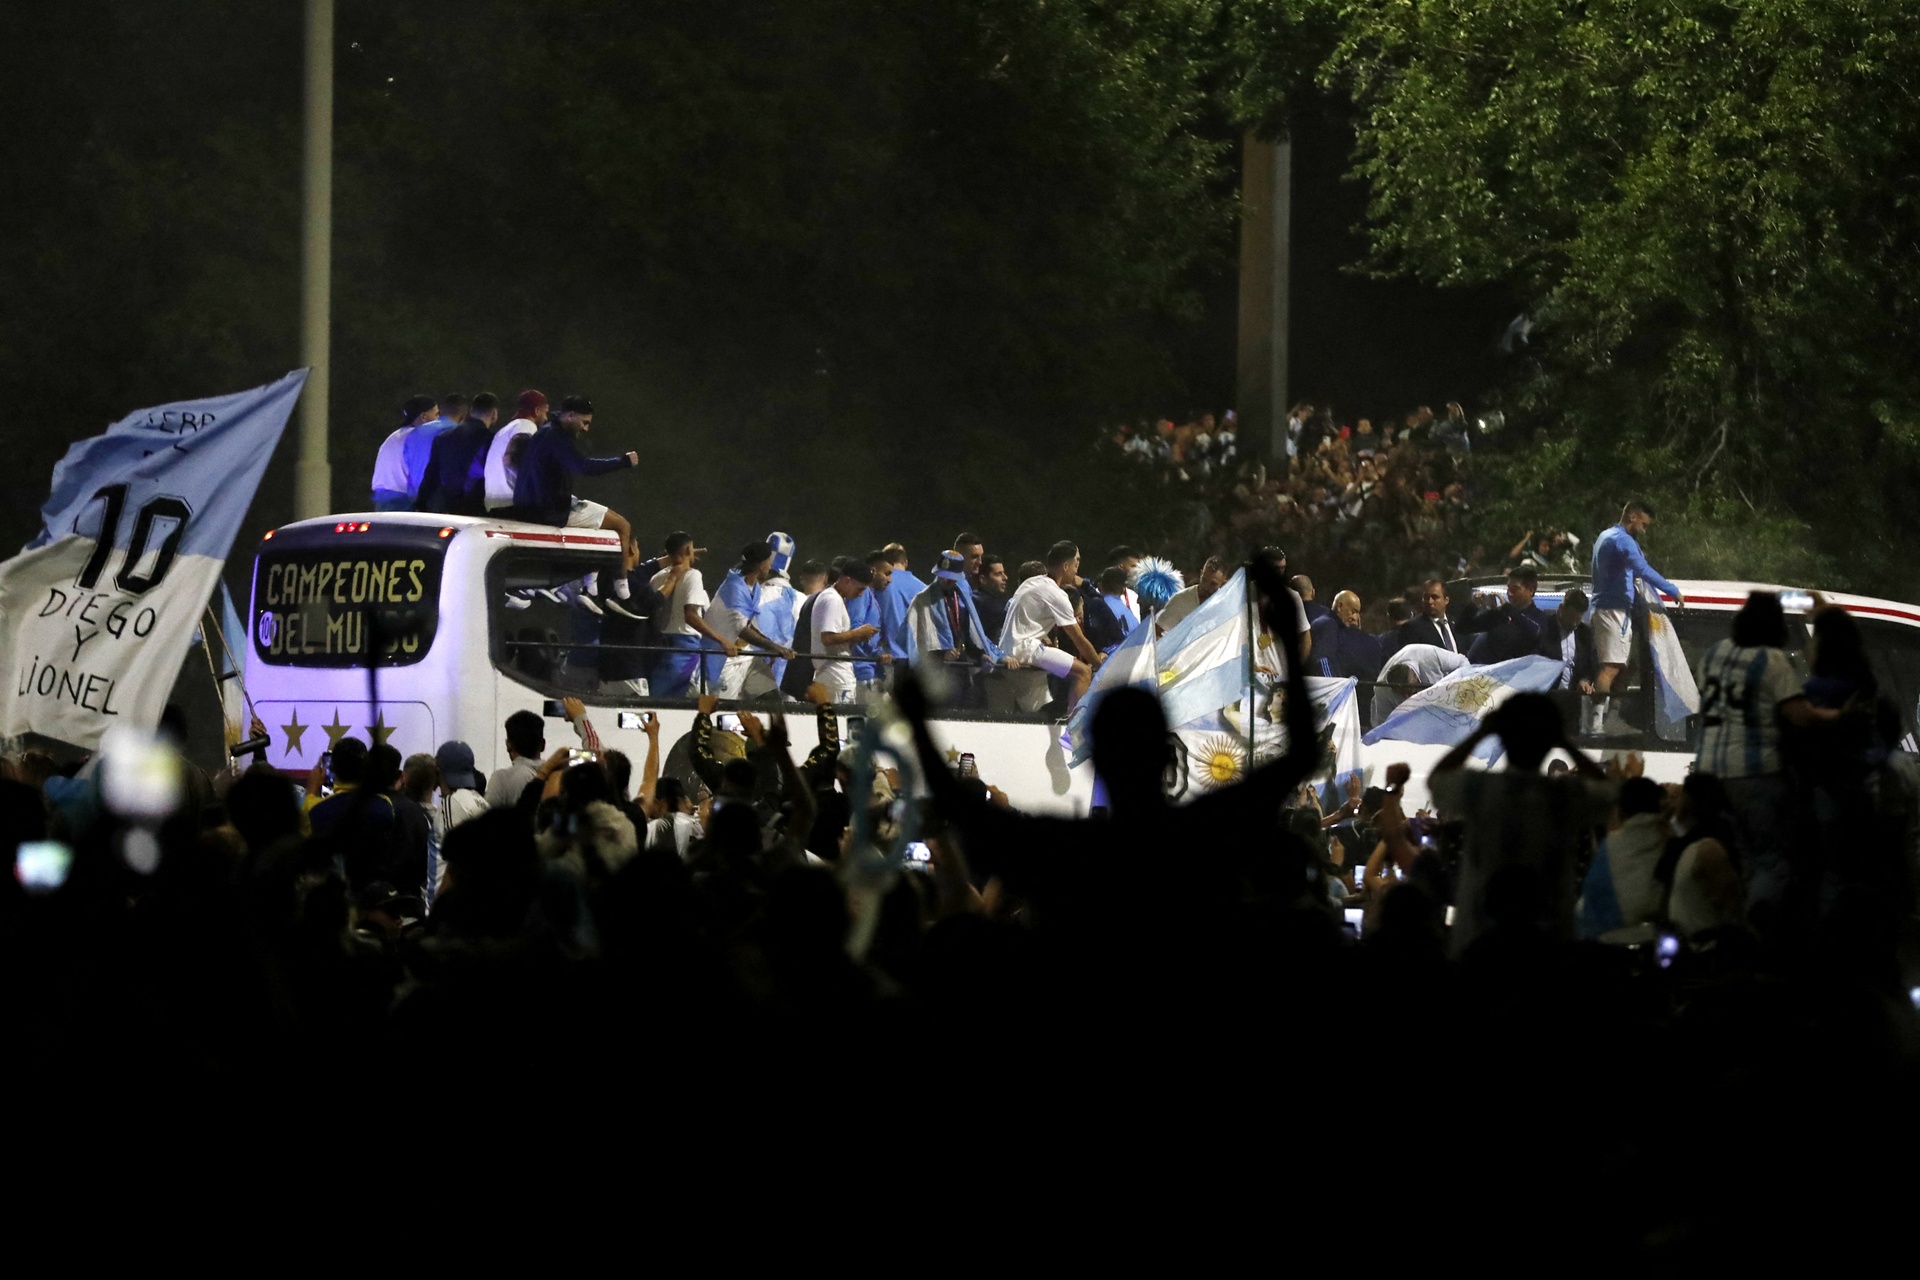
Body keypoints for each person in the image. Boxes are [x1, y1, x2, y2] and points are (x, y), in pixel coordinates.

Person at [1693, 591, 1839, 925]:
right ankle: (1757, 933)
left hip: (1707, 775)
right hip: (1755, 775)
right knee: (1772, 862)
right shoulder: (1772, 661)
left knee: (1733, 857)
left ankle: (1724, 933)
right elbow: (1800, 716)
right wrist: (1840, 716)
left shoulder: (1714, 653)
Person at [1431, 692, 1612, 954]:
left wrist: (1481, 733)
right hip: (1549, 949)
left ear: (1501, 735)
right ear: (1550, 740)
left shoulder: (1481, 790)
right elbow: (1608, 793)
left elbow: (1438, 778)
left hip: (1478, 946)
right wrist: (1565, 741)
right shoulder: (1563, 796)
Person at [505, 396, 640, 569]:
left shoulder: (544, 432)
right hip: (548, 512)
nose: (586, 429)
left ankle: (591, 583)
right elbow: (584, 467)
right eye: (584, 422)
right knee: (622, 526)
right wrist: (623, 461)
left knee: (598, 524)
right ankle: (622, 583)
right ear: (570, 416)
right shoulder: (557, 438)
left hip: (532, 506)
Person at [1591, 501, 1684, 734]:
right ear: (1632, 517)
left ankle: (1611, 717)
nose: (1644, 531)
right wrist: (1671, 589)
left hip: (1613, 610)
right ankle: (1596, 724)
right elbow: (1642, 569)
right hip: (1613, 610)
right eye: (1643, 525)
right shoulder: (1622, 540)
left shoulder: (1606, 535)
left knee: (1626, 667)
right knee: (1611, 668)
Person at [999, 540, 1103, 712]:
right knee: (1084, 672)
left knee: (1037, 712)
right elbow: (1079, 640)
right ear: (1065, 566)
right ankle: (1074, 728)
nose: (1078, 569)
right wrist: (1100, 666)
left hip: (1008, 649)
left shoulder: (1031, 582)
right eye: (1076, 562)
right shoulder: (1057, 595)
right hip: (1025, 649)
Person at [1577, 777, 1670, 939]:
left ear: (1620, 809)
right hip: (1655, 938)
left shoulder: (1610, 845)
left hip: (1603, 940)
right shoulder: (1670, 842)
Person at [702, 542, 795, 697]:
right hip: (725, 658)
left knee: (771, 698)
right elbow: (742, 629)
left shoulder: (755, 588)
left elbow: (747, 624)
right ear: (761, 565)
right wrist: (774, 647)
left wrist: (771, 646)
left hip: (746, 656)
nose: (770, 566)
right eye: (769, 562)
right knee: (724, 709)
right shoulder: (734, 588)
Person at [650, 533, 714, 697]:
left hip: (660, 646)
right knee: (696, 701)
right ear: (687, 549)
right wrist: (722, 640)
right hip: (685, 648)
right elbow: (691, 615)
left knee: (658, 700)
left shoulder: (657, 577)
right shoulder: (693, 575)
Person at [417, 391, 499, 516]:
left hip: (447, 505)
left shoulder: (443, 438)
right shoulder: (491, 440)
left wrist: (420, 505)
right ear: (494, 414)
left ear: (471, 411)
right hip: (476, 507)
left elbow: (431, 476)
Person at [809, 561, 881, 702]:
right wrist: (858, 633)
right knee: (844, 721)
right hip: (836, 673)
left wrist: (858, 637)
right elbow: (828, 638)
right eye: (860, 589)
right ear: (848, 581)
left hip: (829, 672)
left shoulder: (832, 597)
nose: (860, 595)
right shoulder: (832, 600)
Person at [1457, 565, 1550, 664]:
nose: (1509, 594)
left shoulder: (1540, 618)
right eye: (1508, 589)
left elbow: (1535, 633)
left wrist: (1508, 609)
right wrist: (1473, 606)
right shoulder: (1499, 616)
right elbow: (1462, 628)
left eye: (1515, 590)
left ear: (1530, 590)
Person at [1537, 587, 1599, 733]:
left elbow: (1590, 665)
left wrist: (1585, 680)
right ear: (1561, 609)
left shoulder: (1585, 634)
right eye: (1571, 618)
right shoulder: (1543, 628)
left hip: (1571, 703)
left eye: (1578, 619)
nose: (1574, 624)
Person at [484, 390, 548, 513]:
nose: (546, 418)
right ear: (537, 411)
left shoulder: (504, 429)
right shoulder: (526, 426)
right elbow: (512, 459)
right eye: (545, 412)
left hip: (493, 503)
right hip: (511, 504)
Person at [372, 395, 437, 510]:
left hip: (382, 501)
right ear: (424, 416)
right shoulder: (418, 438)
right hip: (403, 501)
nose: (439, 419)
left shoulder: (395, 436)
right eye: (436, 414)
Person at [403, 393, 469, 507]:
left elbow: (407, 462)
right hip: (437, 500)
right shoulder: (455, 433)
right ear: (463, 416)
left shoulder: (415, 432)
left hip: (412, 499)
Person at [1309, 590, 1383, 681]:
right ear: (1340, 607)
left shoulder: (1335, 625)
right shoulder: (1328, 624)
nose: (1355, 617)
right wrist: (1334, 687)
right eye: (1353, 611)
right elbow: (1322, 660)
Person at [878, 543, 927, 668]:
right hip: (918, 662)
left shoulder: (879, 585)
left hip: (887, 659)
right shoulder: (923, 588)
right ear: (905, 562)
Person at [485, 709, 545, 808]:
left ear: (508, 745)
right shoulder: (558, 778)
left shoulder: (501, 779)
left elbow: (487, 820)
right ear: (543, 745)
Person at [1156, 556, 1227, 636]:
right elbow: (1156, 632)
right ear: (1201, 574)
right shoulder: (1180, 600)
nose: (1206, 587)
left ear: (1223, 583)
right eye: (1204, 580)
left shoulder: (1225, 606)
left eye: (1213, 584)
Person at [1397, 579, 1461, 654]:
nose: (1430, 602)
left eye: (1435, 597)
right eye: (1426, 598)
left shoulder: (1456, 624)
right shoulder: (1412, 628)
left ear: (1446, 600)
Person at [973, 553, 1011, 640]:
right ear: (983, 579)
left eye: (1003, 573)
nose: (1005, 577)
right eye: (998, 574)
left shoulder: (975, 597)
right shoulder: (988, 604)